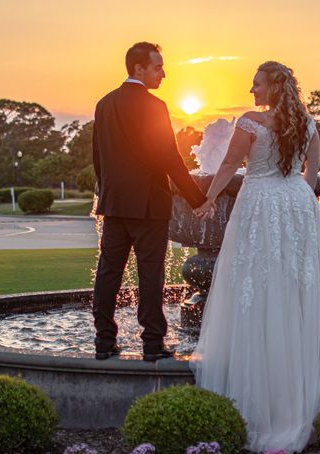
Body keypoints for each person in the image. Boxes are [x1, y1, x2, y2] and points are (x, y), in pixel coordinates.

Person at [190, 61, 320, 452]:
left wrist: (209, 198)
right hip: (298, 204)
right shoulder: (308, 123)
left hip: (261, 203)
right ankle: (301, 382)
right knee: (299, 285)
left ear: (272, 87)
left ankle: (264, 394)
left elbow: (231, 165)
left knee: (255, 283)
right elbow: (312, 173)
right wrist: (294, 201)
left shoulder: (250, 122)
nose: (251, 91)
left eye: (256, 84)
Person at [92, 42, 206, 362]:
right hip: (149, 207)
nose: (163, 73)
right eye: (158, 67)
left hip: (114, 205)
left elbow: (98, 159)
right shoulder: (154, 106)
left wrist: (108, 193)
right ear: (138, 68)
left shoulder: (104, 104)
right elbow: (170, 159)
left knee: (108, 273)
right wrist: (197, 199)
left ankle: (104, 340)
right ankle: (152, 343)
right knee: (151, 275)